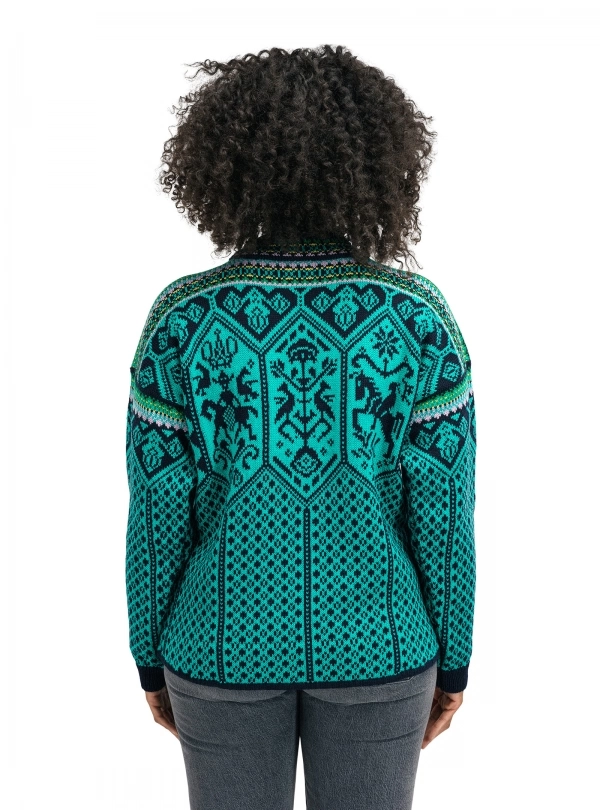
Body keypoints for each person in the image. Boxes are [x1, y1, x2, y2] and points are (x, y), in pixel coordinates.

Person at [125, 44, 477, 810]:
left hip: (217, 647)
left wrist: (150, 657)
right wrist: (454, 662)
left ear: (224, 165)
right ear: (378, 162)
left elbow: (155, 512)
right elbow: (446, 514)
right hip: (382, 649)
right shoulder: (417, 319)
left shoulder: (183, 320)